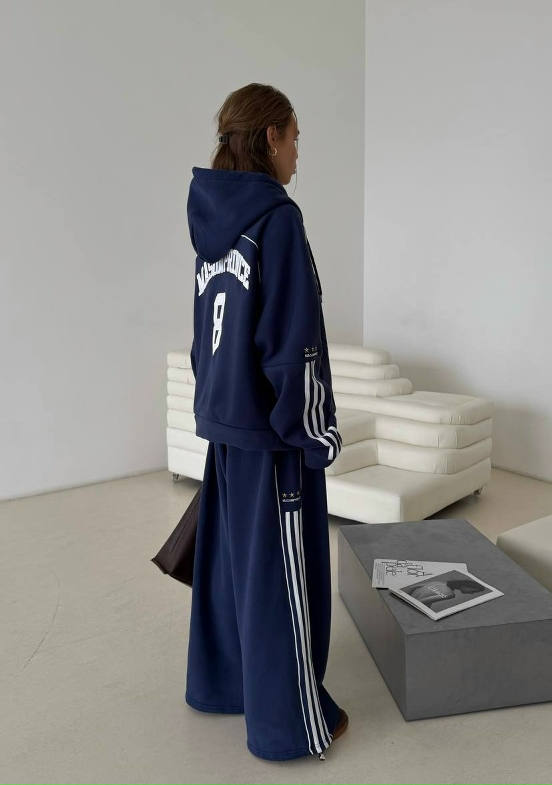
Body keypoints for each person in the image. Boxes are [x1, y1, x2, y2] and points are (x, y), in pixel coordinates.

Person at [184, 83, 347, 762]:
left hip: (225, 425)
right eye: (296, 138)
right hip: (271, 436)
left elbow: (205, 334)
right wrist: (315, 430)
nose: (299, 154)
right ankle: (289, 727)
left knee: (233, 571)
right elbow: (293, 340)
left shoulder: (213, 222)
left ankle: (222, 687)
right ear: (272, 137)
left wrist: (215, 407)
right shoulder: (277, 219)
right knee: (282, 580)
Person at [405, 577, 486, 607]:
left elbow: (412, 587)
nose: (471, 593)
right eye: (472, 591)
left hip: (408, 601)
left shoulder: (438, 582)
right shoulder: (450, 594)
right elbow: (421, 602)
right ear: (466, 586)